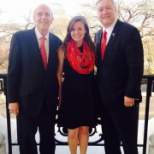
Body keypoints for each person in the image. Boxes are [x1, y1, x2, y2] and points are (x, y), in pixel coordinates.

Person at [7, 4, 62, 154]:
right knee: (26, 140)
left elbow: (58, 72)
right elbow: (13, 70)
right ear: (34, 17)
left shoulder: (58, 42)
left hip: (49, 102)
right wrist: (12, 100)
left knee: (48, 140)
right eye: (40, 14)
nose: (43, 17)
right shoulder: (20, 38)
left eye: (47, 14)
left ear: (52, 19)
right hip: (25, 101)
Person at [95, 0, 144, 154]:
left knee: (129, 143)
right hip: (105, 101)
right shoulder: (98, 34)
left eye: (108, 8)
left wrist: (130, 94)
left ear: (115, 10)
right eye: (100, 9)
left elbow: (136, 67)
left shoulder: (129, 32)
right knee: (110, 142)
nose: (104, 12)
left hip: (124, 101)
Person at [57, 15, 96, 154]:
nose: (76, 32)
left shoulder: (92, 47)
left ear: (85, 30)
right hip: (70, 94)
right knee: (72, 131)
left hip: (88, 93)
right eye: (72, 29)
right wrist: (60, 96)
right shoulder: (63, 49)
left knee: (85, 130)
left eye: (80, 28)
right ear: (69, 31)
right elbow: (58, 74)